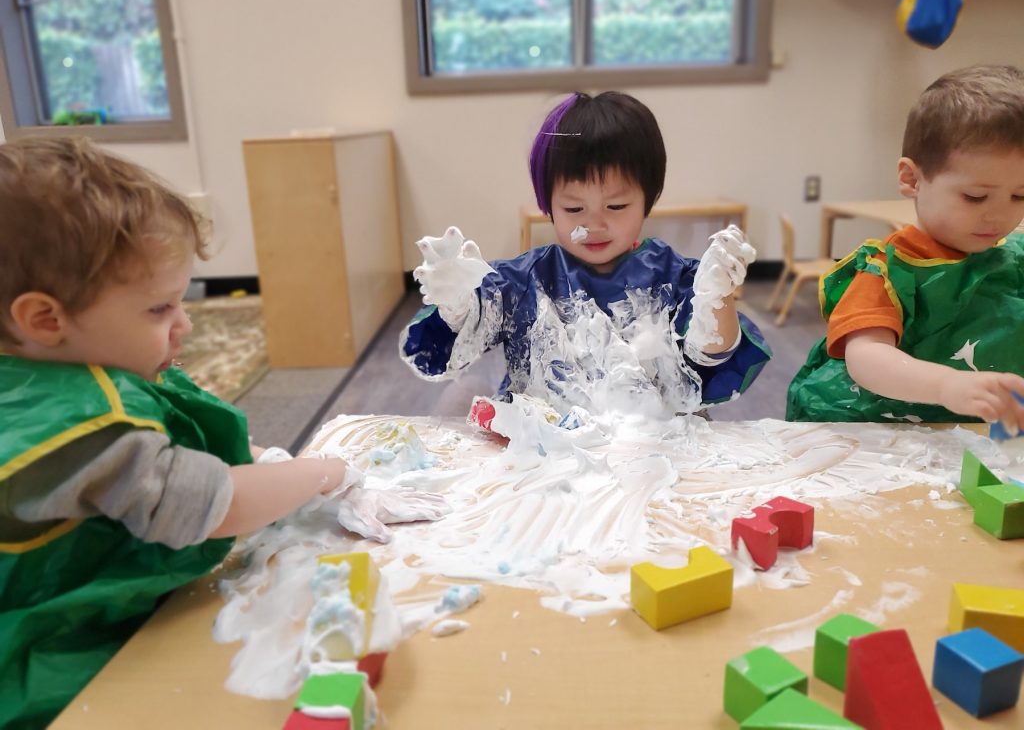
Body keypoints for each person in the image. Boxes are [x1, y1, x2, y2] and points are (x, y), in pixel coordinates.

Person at [0, 137, 443, 729]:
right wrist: (327, 472)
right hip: (44, 661)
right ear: (45, 320)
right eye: (159, 310)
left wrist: (266, 459)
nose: (185, 325)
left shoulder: (49, 370)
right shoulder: (82, 430)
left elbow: (186, 449)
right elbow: (216, 505)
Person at [400, 91, 771, 418]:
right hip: (544, 445)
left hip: (651, 443)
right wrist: (457, 304)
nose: (594, 225)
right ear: (549, 207)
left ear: (648, 200)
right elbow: (461, 338)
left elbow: (713, 355)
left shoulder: (670, 276)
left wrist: (716, 297)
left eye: (617, 206)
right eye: (574, 209)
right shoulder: (526, 279)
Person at [787, 64, 1024, 430]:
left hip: (970, 431)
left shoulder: (1014, 257)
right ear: (912, 179)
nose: (999, 215)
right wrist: (946, 384)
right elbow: (865, 357)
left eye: (1019, 195)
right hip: (879, 428)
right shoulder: (888, 270)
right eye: (975, 197)